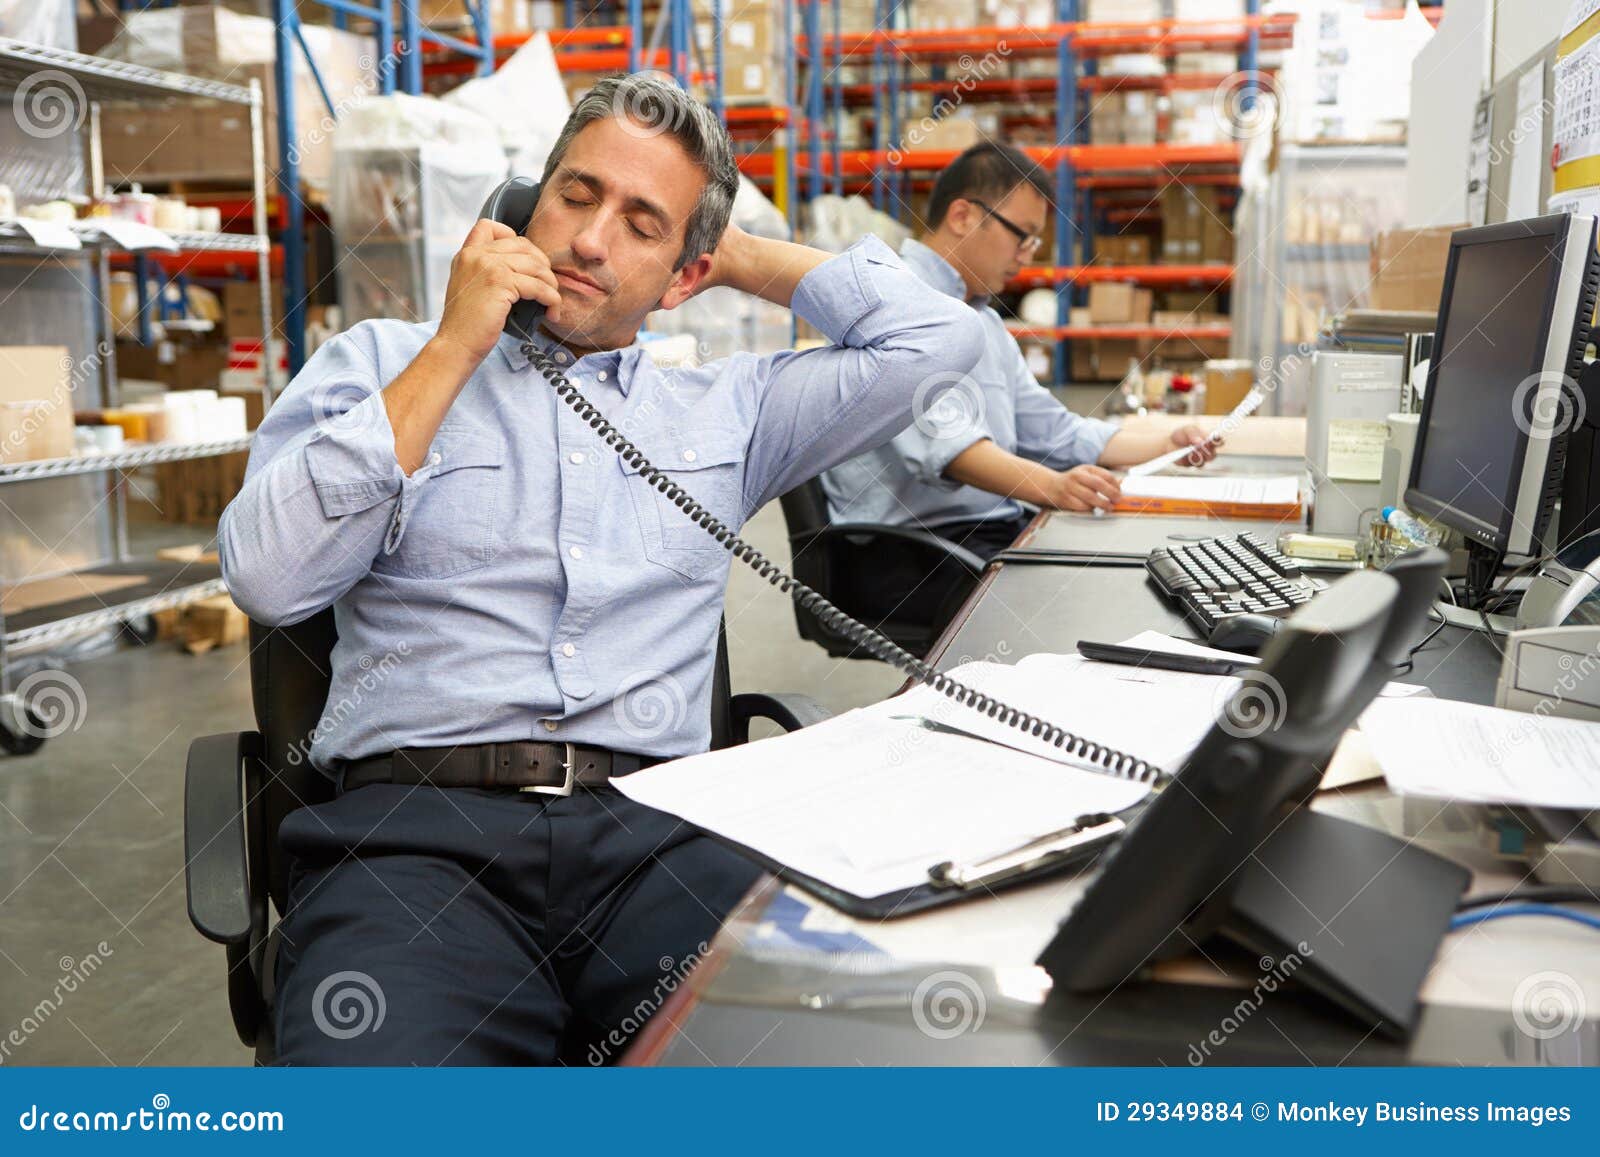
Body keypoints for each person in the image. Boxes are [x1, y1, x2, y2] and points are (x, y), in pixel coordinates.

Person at [217, 74, 983, 1066]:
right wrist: (456, 345)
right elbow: (269, 579)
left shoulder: (730, 411)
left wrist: (738, 257)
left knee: (841, 1065)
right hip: (415, 843)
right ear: (524, 204)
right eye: (575, 196)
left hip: (662, 843)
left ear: (681, 274)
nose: (589, 240)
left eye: (638, 221)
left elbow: (940, 336)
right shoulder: (382, 363)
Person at [821, 141, 1218, 564]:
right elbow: (949, 448)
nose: (1025, 258)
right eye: (1022, 237)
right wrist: (1054, 486)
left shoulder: (986, 324)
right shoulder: (891, 300)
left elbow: (1055, 433)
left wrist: (1165, 444)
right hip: (910, 552)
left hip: (980, 532)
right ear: (963, 216)